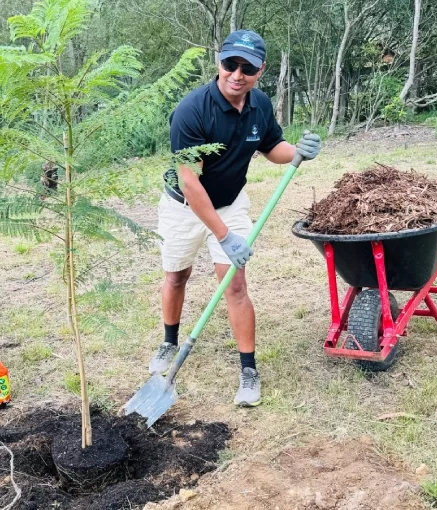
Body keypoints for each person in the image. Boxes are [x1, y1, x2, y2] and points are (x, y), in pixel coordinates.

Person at [149, 29, 321, 407]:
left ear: (261, 70)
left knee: (235, 285)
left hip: (229, 202)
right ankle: (168, 342)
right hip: (184, 207)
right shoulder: (192, 111)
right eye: (230, 64)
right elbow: (190, 183)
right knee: (176, 276)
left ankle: (248, 369)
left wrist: (298, 152)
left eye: (248, 67)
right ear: (219, 62)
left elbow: (272, 147)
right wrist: (225, 235)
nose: (237, 74)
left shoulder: (259, 103)